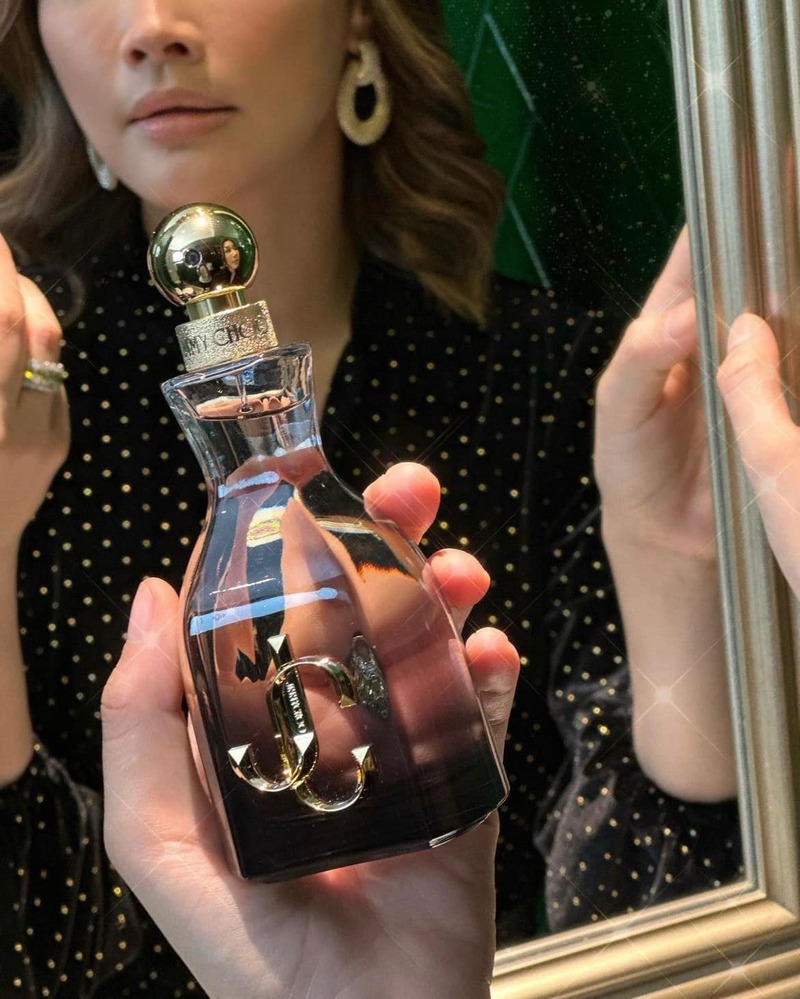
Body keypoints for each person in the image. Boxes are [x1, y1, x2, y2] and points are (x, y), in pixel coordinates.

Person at [0, 1, 742, 996]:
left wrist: (679, 568)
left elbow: (683, 933)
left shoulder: (559, 388)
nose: (152, 26)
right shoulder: (28, 415)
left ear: (358, 17)